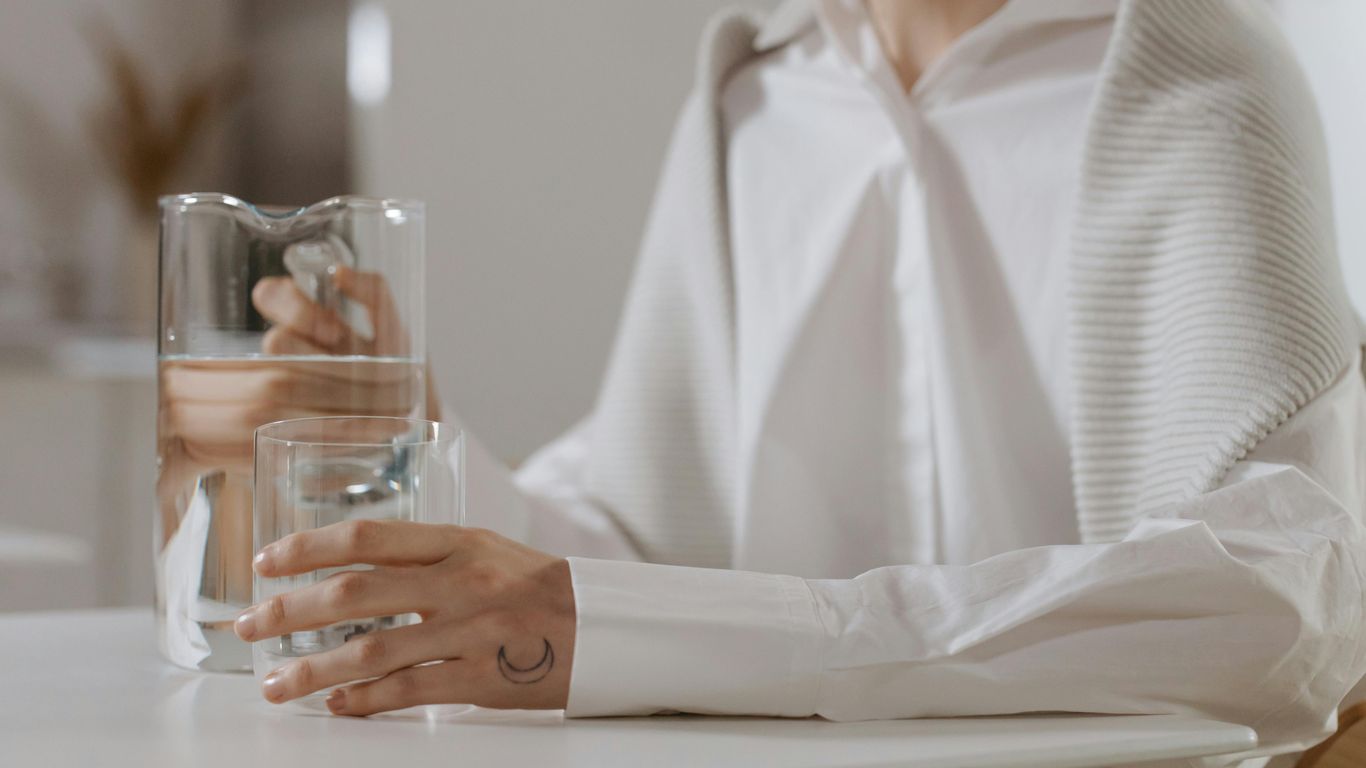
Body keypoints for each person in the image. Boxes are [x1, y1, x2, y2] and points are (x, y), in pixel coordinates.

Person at [221, 0, 1366, 763]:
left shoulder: (1194, 77)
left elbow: (1282, 598)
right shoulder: (750, 98)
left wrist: (804, 639)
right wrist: (426, 449)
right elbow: (648, 545)